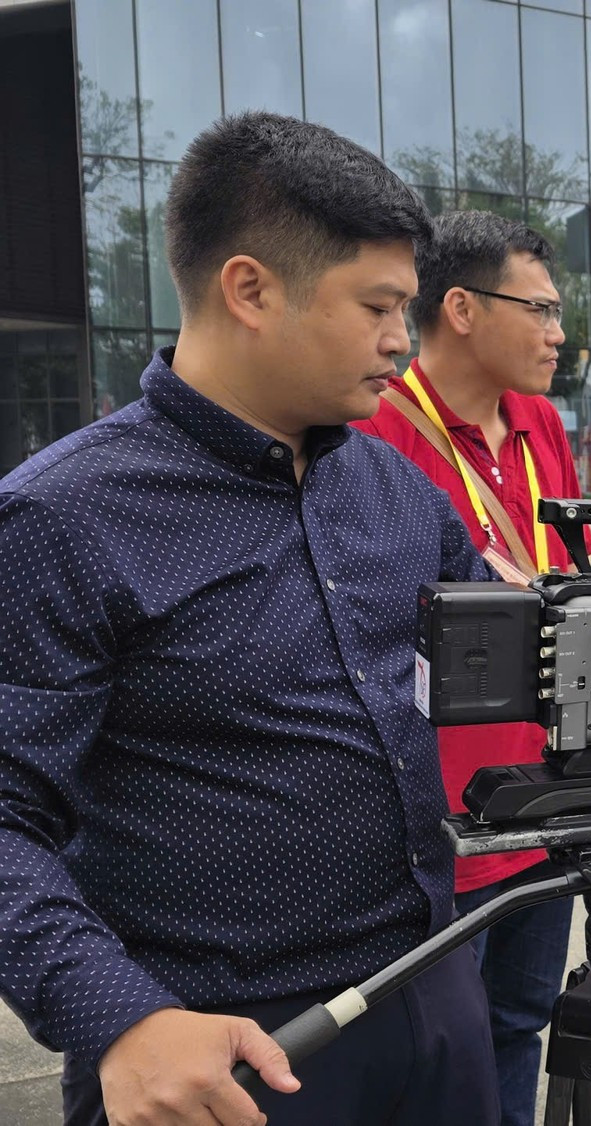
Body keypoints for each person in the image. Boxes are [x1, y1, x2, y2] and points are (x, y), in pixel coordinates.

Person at [0, 113, 500, 1125]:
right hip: (218, 1052)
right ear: (250, 289)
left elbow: (509, 647)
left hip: (436, 987)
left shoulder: (400, 492)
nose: (402, 342)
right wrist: (120, 1017)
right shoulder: (61, 518)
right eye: (377, 306)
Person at [351, 211, 585, 1126]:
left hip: (551, 792)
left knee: (523, 1023)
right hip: (439, 814)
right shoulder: (375, 430)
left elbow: (566, 571)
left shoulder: (539, 422)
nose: (558, 333)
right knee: (433, 1048)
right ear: (460, 307)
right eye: (541, 310)